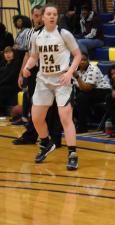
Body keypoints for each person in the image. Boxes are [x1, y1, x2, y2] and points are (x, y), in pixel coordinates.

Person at [22, 4, 82, 170]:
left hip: (61, 80)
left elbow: (78, 55)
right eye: (48, 14)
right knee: (36, 118)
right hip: (43, 80)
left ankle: (72, 154)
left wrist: (70, 72)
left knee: (65, 117)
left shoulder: (64, 34)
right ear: (42, 17)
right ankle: (46, 143)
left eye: (54, 14)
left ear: (57, 17)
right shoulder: (36, 36)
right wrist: (27, 67)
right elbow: (34, 56)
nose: (51, 16)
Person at [13, 5, 63, 147]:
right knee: (35, 106)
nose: (38, 18)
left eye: (41, 15)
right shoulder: (31, 34)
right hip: (34, 72)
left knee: (50, 107)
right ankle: (32, 135)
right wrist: (22, 73)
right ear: (32, 17)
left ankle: (54, 138)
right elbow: (28, 54)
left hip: (48, 72)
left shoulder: (50, 32)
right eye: (35, 16)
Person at [73, 53, 111, 133]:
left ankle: (82, 127)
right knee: (70, 98)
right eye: (80, 60)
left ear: (88, 60)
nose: (82, 62)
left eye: (84, 60)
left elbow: (87, 88)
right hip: (88, 92)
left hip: (103, 91)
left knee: (81, 97)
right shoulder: (75, 70)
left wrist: (77, 77)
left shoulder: (93, 69)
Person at [0, 47, 23, 116]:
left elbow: (10, 77)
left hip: (13, 87)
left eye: (10, 52)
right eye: (6, 53)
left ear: (14, 53)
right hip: (5, 86)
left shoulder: (16, 64)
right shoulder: (3, 64)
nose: (8, 55)